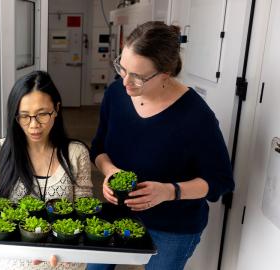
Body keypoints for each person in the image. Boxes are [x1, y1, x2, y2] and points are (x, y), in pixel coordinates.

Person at [88, 21, 234, 270]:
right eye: (122, 68)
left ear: (165, 74)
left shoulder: (196, 116)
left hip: (172, 227)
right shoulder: (116, 94)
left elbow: (220, 181)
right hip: (118, 211)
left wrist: (169, 191)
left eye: (138, 76)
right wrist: (110, 171)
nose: (125, 82)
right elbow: (99, 147)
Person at [0, 70, 93, 270]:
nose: (34, 125)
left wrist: (66, 249)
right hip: (16, 265)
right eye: (24, 116)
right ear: (15, 116)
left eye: (42, 114)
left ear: (57, 109)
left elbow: (84, 213)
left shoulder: (76, 153)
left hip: (65, 264)